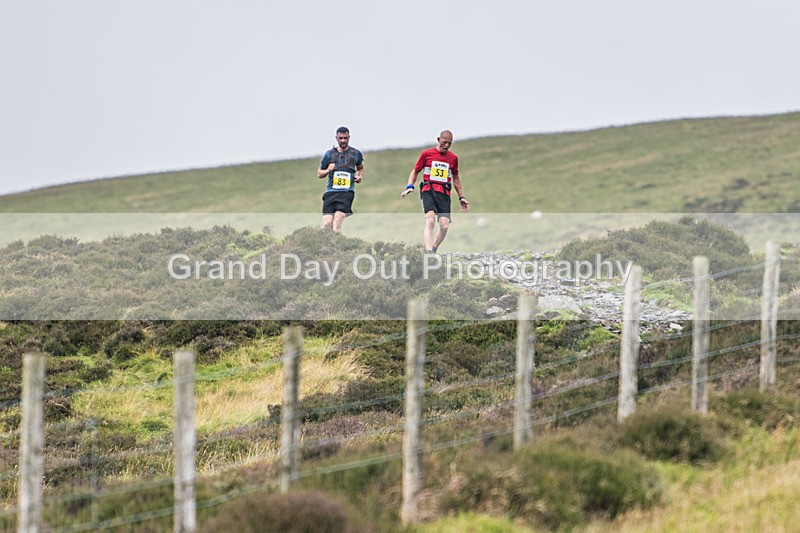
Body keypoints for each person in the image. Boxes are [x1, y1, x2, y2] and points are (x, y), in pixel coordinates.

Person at [401, 130, 469, 252]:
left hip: (444, 193)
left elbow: (456, 178)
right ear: (438, 140)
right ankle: (428, 252)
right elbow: (415, 171)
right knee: (430, 220)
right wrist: (410, 186)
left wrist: (461, 197)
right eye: (444, 142)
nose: (447, 145)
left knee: (444, 225)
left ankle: (434, 248)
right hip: (428, 190)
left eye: (449, 143)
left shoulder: (453, 158)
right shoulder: (427, 154)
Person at [318, 126, 364, 233]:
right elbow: (319, 174)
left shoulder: (356, 153)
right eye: (340, 138)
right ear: (336, 138)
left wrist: (359, 176)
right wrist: (328, 170)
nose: (343, 140)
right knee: (327, 224)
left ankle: (337, 249)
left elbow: (360, 168)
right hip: (330, 192)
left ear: (349, 137)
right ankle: (326, 247)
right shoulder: (329, 154)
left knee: (336, 224)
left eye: (345, 138)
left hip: (346, 193)